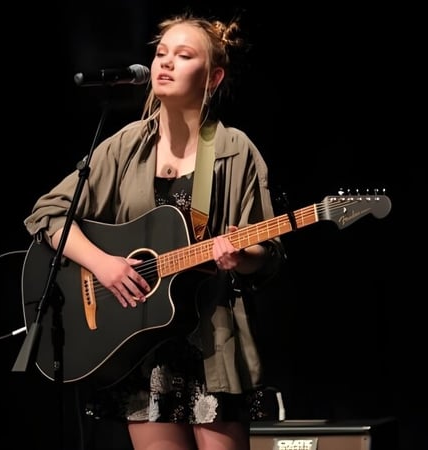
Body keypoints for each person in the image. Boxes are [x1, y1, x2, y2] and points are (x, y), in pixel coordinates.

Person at [24, 12, 285, 450]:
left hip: (212, 340)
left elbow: (268, 251)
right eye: (161, 53)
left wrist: (243, 256)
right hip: (141, 345)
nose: (165, 63)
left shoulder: (233, 149)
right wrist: (103, 265)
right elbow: (48, 215)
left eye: (183, 56)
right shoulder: (125, 145)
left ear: (213, 77)